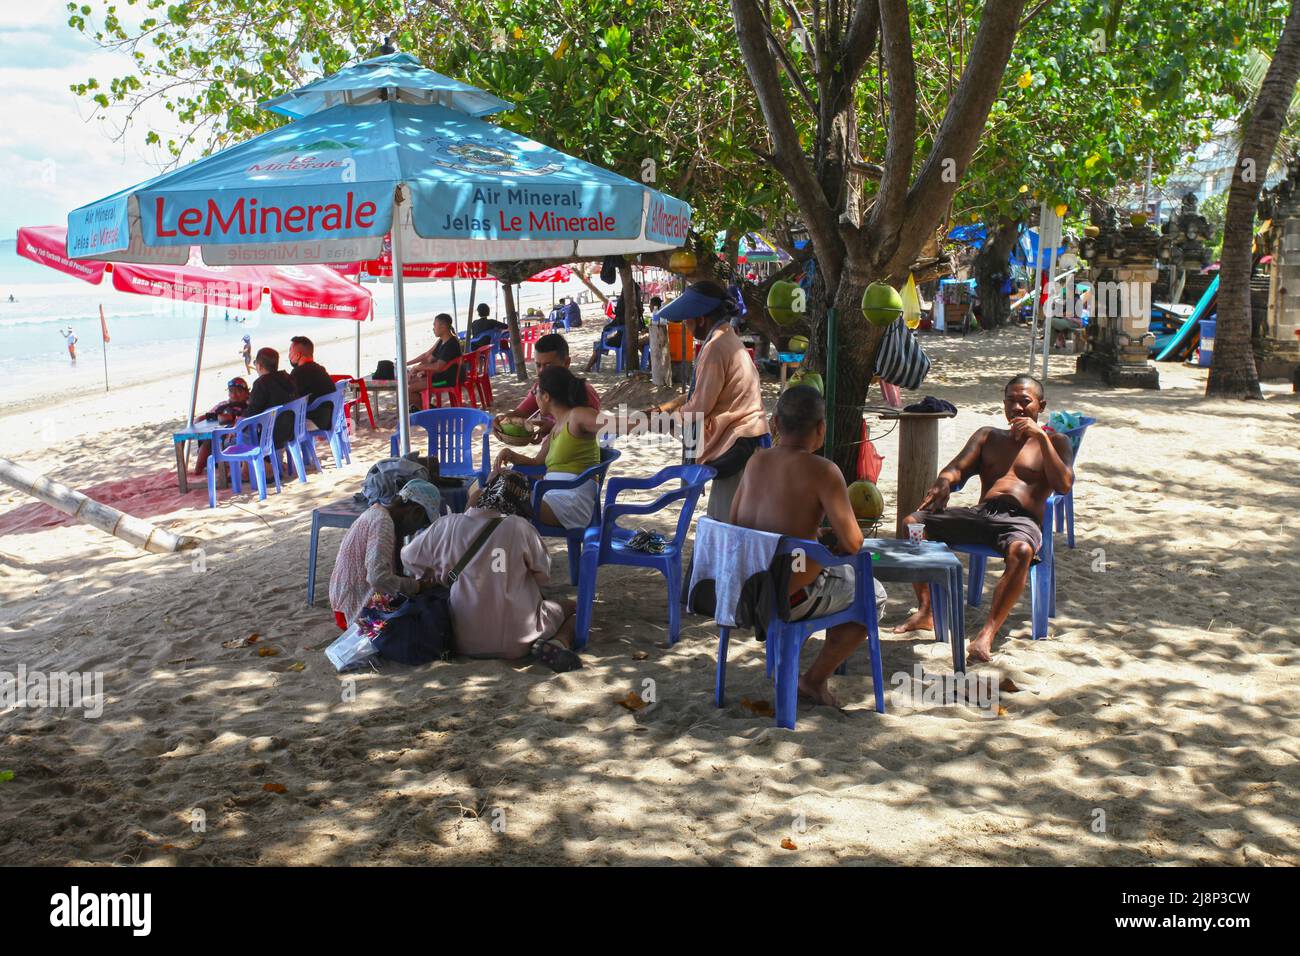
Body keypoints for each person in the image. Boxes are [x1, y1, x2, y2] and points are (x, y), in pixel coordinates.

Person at [895, 375, 1074, 662]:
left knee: (1022, 551)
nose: (1017, 408)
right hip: (981, 515)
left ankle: (987, 634)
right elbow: (956, 469)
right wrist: (944, 481)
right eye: (1011, 401)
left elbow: (1064, 484)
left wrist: (1040, 437)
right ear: (1003, 405)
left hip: (1021, 522)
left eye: (1025, 402)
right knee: (912, 524)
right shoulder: (988, 436)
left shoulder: (1055, 441)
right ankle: (927, 609)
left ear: (1041, 406)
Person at [730, 385, 886, 709]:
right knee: (875, 594)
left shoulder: (755, 462)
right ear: (821, 429)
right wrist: (818, 542)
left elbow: (736, 524)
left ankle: (800, 667)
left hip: (745, 590)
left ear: (775, 424)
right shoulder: (824, 471)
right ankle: (813, 680)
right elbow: (854, 543)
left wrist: (809, 534)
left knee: (823, 569)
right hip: (791, 596)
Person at [402, 471, 581, 673]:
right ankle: (559, 643)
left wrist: (438, 573)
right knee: (577, 607)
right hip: (520, 641)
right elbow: (543, 576)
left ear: (483, 494)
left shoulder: (447, 525)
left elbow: (408, 558)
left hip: (462, 641)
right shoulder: (520, 527)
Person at [648, 279, 769, 520]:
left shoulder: (714, 347)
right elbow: (707, 393)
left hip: (736, 442)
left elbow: (699, 407)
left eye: (687, 320)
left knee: (725, 524)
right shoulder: (727, 337)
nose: (685, 325)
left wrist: (668, 419)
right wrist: (669, 406)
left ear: (700, 319)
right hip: (745, 438)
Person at [479, 366, 602, 529]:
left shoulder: (577, 416)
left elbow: (614, 423)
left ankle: (467, 536)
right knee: (495, 479)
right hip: (551, 495)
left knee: (498, 491)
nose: (534, 397)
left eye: (536, 392)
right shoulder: (557, 427)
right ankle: (468, 529)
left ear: (546, 396)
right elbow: (537, 462)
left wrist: (644, 420)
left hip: (569, 504)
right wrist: (511, 454)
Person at [329, 480, 443, 628]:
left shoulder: (377, 512)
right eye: (421, 525)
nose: (414, 531)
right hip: (352, 611)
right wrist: (417, 586)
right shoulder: (383, 522)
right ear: (416, 513)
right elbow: (377, 578)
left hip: (343, 605)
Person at [493, 333, 601, 443]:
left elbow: (595, 429)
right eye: (538, 365)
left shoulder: (584, 392)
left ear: (566, 363)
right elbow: (521, 413)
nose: (541, 372)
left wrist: (554, 427)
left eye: (548, 366)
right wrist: (503, 419)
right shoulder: (540, 388)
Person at [192, 377, 251, 476]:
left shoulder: (250, 405)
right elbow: (199, 420)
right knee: (208, 442)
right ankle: (197, 472)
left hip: (238, 439)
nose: (234, 395)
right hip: (221, 437)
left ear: (247, 393)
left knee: (213, 442)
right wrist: (215, 417)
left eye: (239, 391)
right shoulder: (223, 405)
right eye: (231, 391)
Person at [244, 346, 298, 447]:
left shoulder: (261, 383)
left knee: (234, 438)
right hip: (292, 428)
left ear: (259, 366)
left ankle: (260, 462)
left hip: (271, 433)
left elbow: (252, 412)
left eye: (255, 363)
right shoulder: (288, 378)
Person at [406, 313, 463, 396]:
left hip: (447, 380)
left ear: (443, 327)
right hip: (439, 377)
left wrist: (418, 367)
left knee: (407, 390)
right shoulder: (442, 341)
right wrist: (416, 369)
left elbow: (438, 367)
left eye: (434, 325)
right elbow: (429, 358)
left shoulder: (451, 344)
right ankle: (422, 406)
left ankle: (423, 408)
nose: (433, 329)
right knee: (409, 382)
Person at [287, 335, 336, 429]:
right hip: (330, 416)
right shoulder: (320, 369)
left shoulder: (298, 373)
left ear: (298, 355)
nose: (289, 355)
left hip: (317, 420)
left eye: (290, 352)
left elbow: (290, 399)